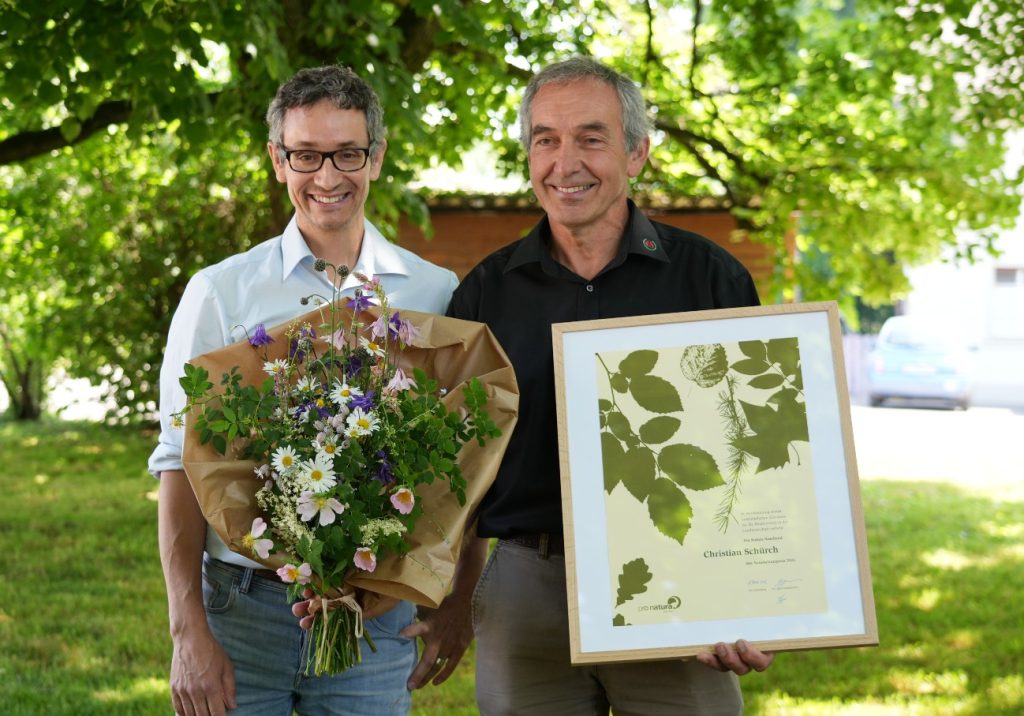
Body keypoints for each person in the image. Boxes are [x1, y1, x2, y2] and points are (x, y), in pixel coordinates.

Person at [437, 56, 775, 714]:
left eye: (591, 138)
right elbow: (461, 465)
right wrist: (455, 597)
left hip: (684, 587)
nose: (567, 163)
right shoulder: (484, 292)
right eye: (546, 140)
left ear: (637, 152)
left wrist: (752, 598)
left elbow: (759, 446)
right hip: (529, 592)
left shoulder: (710, 280)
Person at [149, 65, 460, 716]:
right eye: (306, 155)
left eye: (347, 153)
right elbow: (179, 461)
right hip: (239, 613)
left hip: (373, 618)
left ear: (375, 157)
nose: (327, 177)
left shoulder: (433, 292)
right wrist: (187, 630)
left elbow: (457, 465)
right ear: (277, 160)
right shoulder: (221, 291)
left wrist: (454, 598)